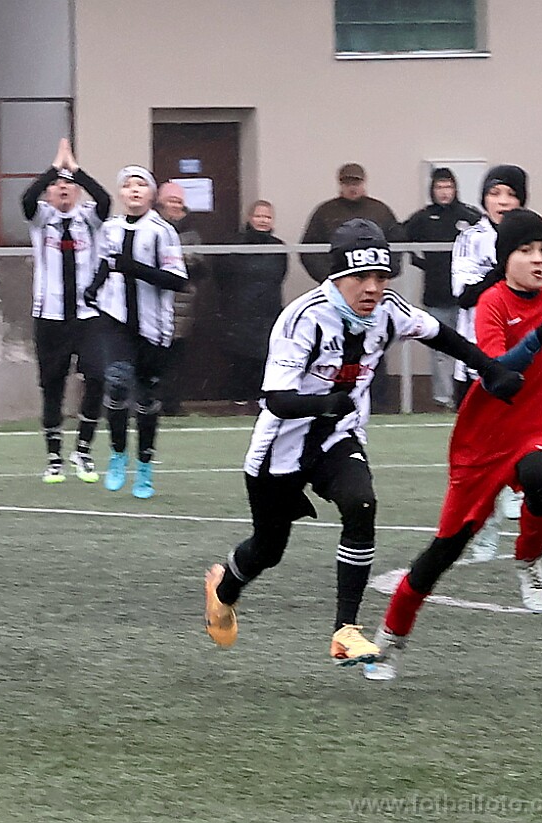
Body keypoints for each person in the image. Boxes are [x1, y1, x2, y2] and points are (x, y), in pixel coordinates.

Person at [202, 218, 523, 665]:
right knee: (268, 549)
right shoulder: (303, 318)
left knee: (361, 503)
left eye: (380, 276)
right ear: (337, 276)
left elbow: (441, 334)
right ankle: (224, 589)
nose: (372, 287)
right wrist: (324, 403)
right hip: (280, 449)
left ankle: (345, 631)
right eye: (361, 276)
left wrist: (491, 370)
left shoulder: (389, 310)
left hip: (338, 436)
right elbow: (275, 399)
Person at [365, 209, 542, 681]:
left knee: (541, 476)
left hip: (539, 431)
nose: (539, 259)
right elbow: (497, 373)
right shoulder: (493, 303)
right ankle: (391, 638)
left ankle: (529, 558)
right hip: (483, 442)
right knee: (443, 551)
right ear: (505, 259)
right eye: (526, 251)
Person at [83, 165, 188, 499]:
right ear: (121, 193)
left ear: (151, 194)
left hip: (153, 327)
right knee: (116, 383)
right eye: (128, 185)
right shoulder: (111, 228)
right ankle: (117, 454)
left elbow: (177, 280)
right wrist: (93, 288)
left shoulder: (161, 231)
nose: (134, 190)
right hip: (115, 320)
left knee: (146, 398)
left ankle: (144, 466)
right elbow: (106, 262)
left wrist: (136, 269)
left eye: (141, 184)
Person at [21, 138, 111, 484]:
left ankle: (83, 450)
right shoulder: (41, 218)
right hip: (50, 316)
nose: (63, 189)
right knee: (52, 385)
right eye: (57, 185)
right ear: (49, 192)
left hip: (88, 316)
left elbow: (104, 199)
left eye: (69, 185)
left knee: (97, 378)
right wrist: (53, 169)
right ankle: (54, 456)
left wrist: (75, 169)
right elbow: (27, 199)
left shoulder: (89, 218)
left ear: (77, 191)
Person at [451, 164, 527, 561]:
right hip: (476, 356)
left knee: (519, 436)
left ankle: (516, 489)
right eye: (495, 193)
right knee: (478, 451)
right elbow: (466, 295)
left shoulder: (531, 237)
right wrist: (502, 270)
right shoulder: (470, 239)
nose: (503, 201)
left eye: (511, 194)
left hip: (521, 355)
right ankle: (485, 529)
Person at [299, 163, 401, 412]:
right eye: (347, 183)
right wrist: (332, 280)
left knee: (374, 344)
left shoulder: (380, 211)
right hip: (338, 298)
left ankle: (379, 401)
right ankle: (334, 398)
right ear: (340, 184)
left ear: (364, 183)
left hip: (371, 296)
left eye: (356, 182)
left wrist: (384, 275)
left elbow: (397, 246)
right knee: (334, 345)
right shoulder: (325, 212)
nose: (352, 187)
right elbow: (308, 250)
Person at [400, 168, 481, 408]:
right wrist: (419, 262)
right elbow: (399, 236)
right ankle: (444, 399)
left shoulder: (469, 216)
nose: (444, 192)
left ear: (455, 189)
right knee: (441, 351)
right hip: (436, 295)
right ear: (432, 190)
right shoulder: (424, 218)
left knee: (470, 346)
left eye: (448, 187)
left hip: (467, 296)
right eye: (439, 187)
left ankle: (469, 396)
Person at [216, 200, 288, 410]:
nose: (263, 220)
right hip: (239, 311)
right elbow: (221, 276)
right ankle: (238, 401)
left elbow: (280, 276)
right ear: (249, 218)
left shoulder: (279, 247)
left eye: (267, 216)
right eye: (259, 216)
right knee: (240, 359)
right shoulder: (233, 245)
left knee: (265, 358)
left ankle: (260, 401)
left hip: (269, 312)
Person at [155, 181, 207, 415]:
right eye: (171, 200)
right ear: (160, 203)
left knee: (176, 356)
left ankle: (171, 405)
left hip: (182, 304)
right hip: (153, 302)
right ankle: (149, 403)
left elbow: (200, 265)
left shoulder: (192, 234)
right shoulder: (151, 226)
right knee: (152, 355)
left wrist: (176, 262)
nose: (175, 205)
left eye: (179, 201)